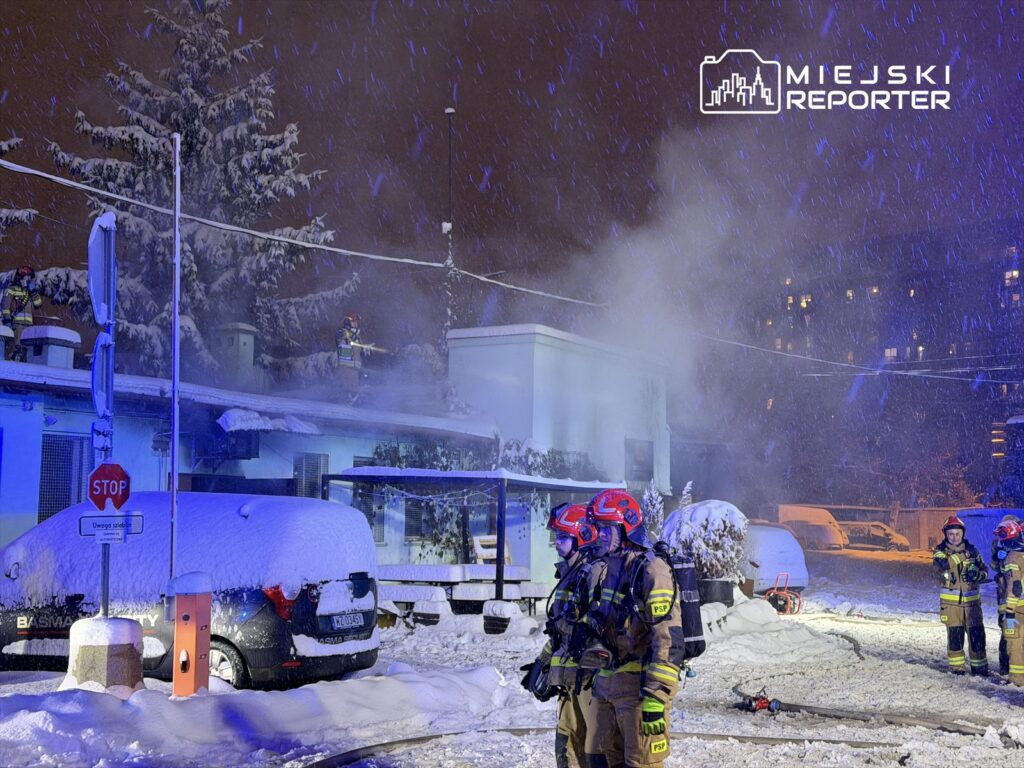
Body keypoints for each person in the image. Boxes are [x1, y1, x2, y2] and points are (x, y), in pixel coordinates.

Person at [578, 489, 680, 768]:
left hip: (638, 694)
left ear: (627, 528)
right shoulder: (608, 569)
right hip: (606, 690)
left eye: (606, 528)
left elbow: (668, 640)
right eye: (598, 528)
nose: (600, 535)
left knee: (641, 763)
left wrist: (656, 696)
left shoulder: (652, 571)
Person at [522, 503, 603, 768]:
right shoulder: (570, 574)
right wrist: (542, 662)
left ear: (583, 536)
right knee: (567, 741)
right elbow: (561, 630)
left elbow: (599, 628)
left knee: (594, 745)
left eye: (563, 536)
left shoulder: (593, 573)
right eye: (556, 536)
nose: (556, 542)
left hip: (589, 679)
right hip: (571, 679)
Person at [932, 514, 989, 675]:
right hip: (951, 606)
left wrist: (977, 575)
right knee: (955, 638)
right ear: (946, 535)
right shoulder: (940, 551)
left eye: (957, 533)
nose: (954, 537)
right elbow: (943, 565)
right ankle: (957, 670)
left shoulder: (973, 551)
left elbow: (985, 571)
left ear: (963, 534)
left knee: (977, 638)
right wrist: (963, 555)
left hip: (972, 605)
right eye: (951, 534)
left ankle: (980, 669)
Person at [994, 517, 1024, 686]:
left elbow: (1015, 586)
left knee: (1013, 641)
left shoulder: (1012, 558)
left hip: (1015, 608)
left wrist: (1010, 611)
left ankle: (1017, 679)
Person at [2, 265, 43, 360]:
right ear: (19, 277)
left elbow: (38, 304)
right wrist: (7, 321)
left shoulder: (31, 292)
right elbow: (5, 307)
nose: (27, 279)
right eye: (25, 276)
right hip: (16, 325)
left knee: (26, 351)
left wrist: (33, 292)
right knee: (15, 349)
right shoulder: (11, 290)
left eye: (29, 277)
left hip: (29, 326)